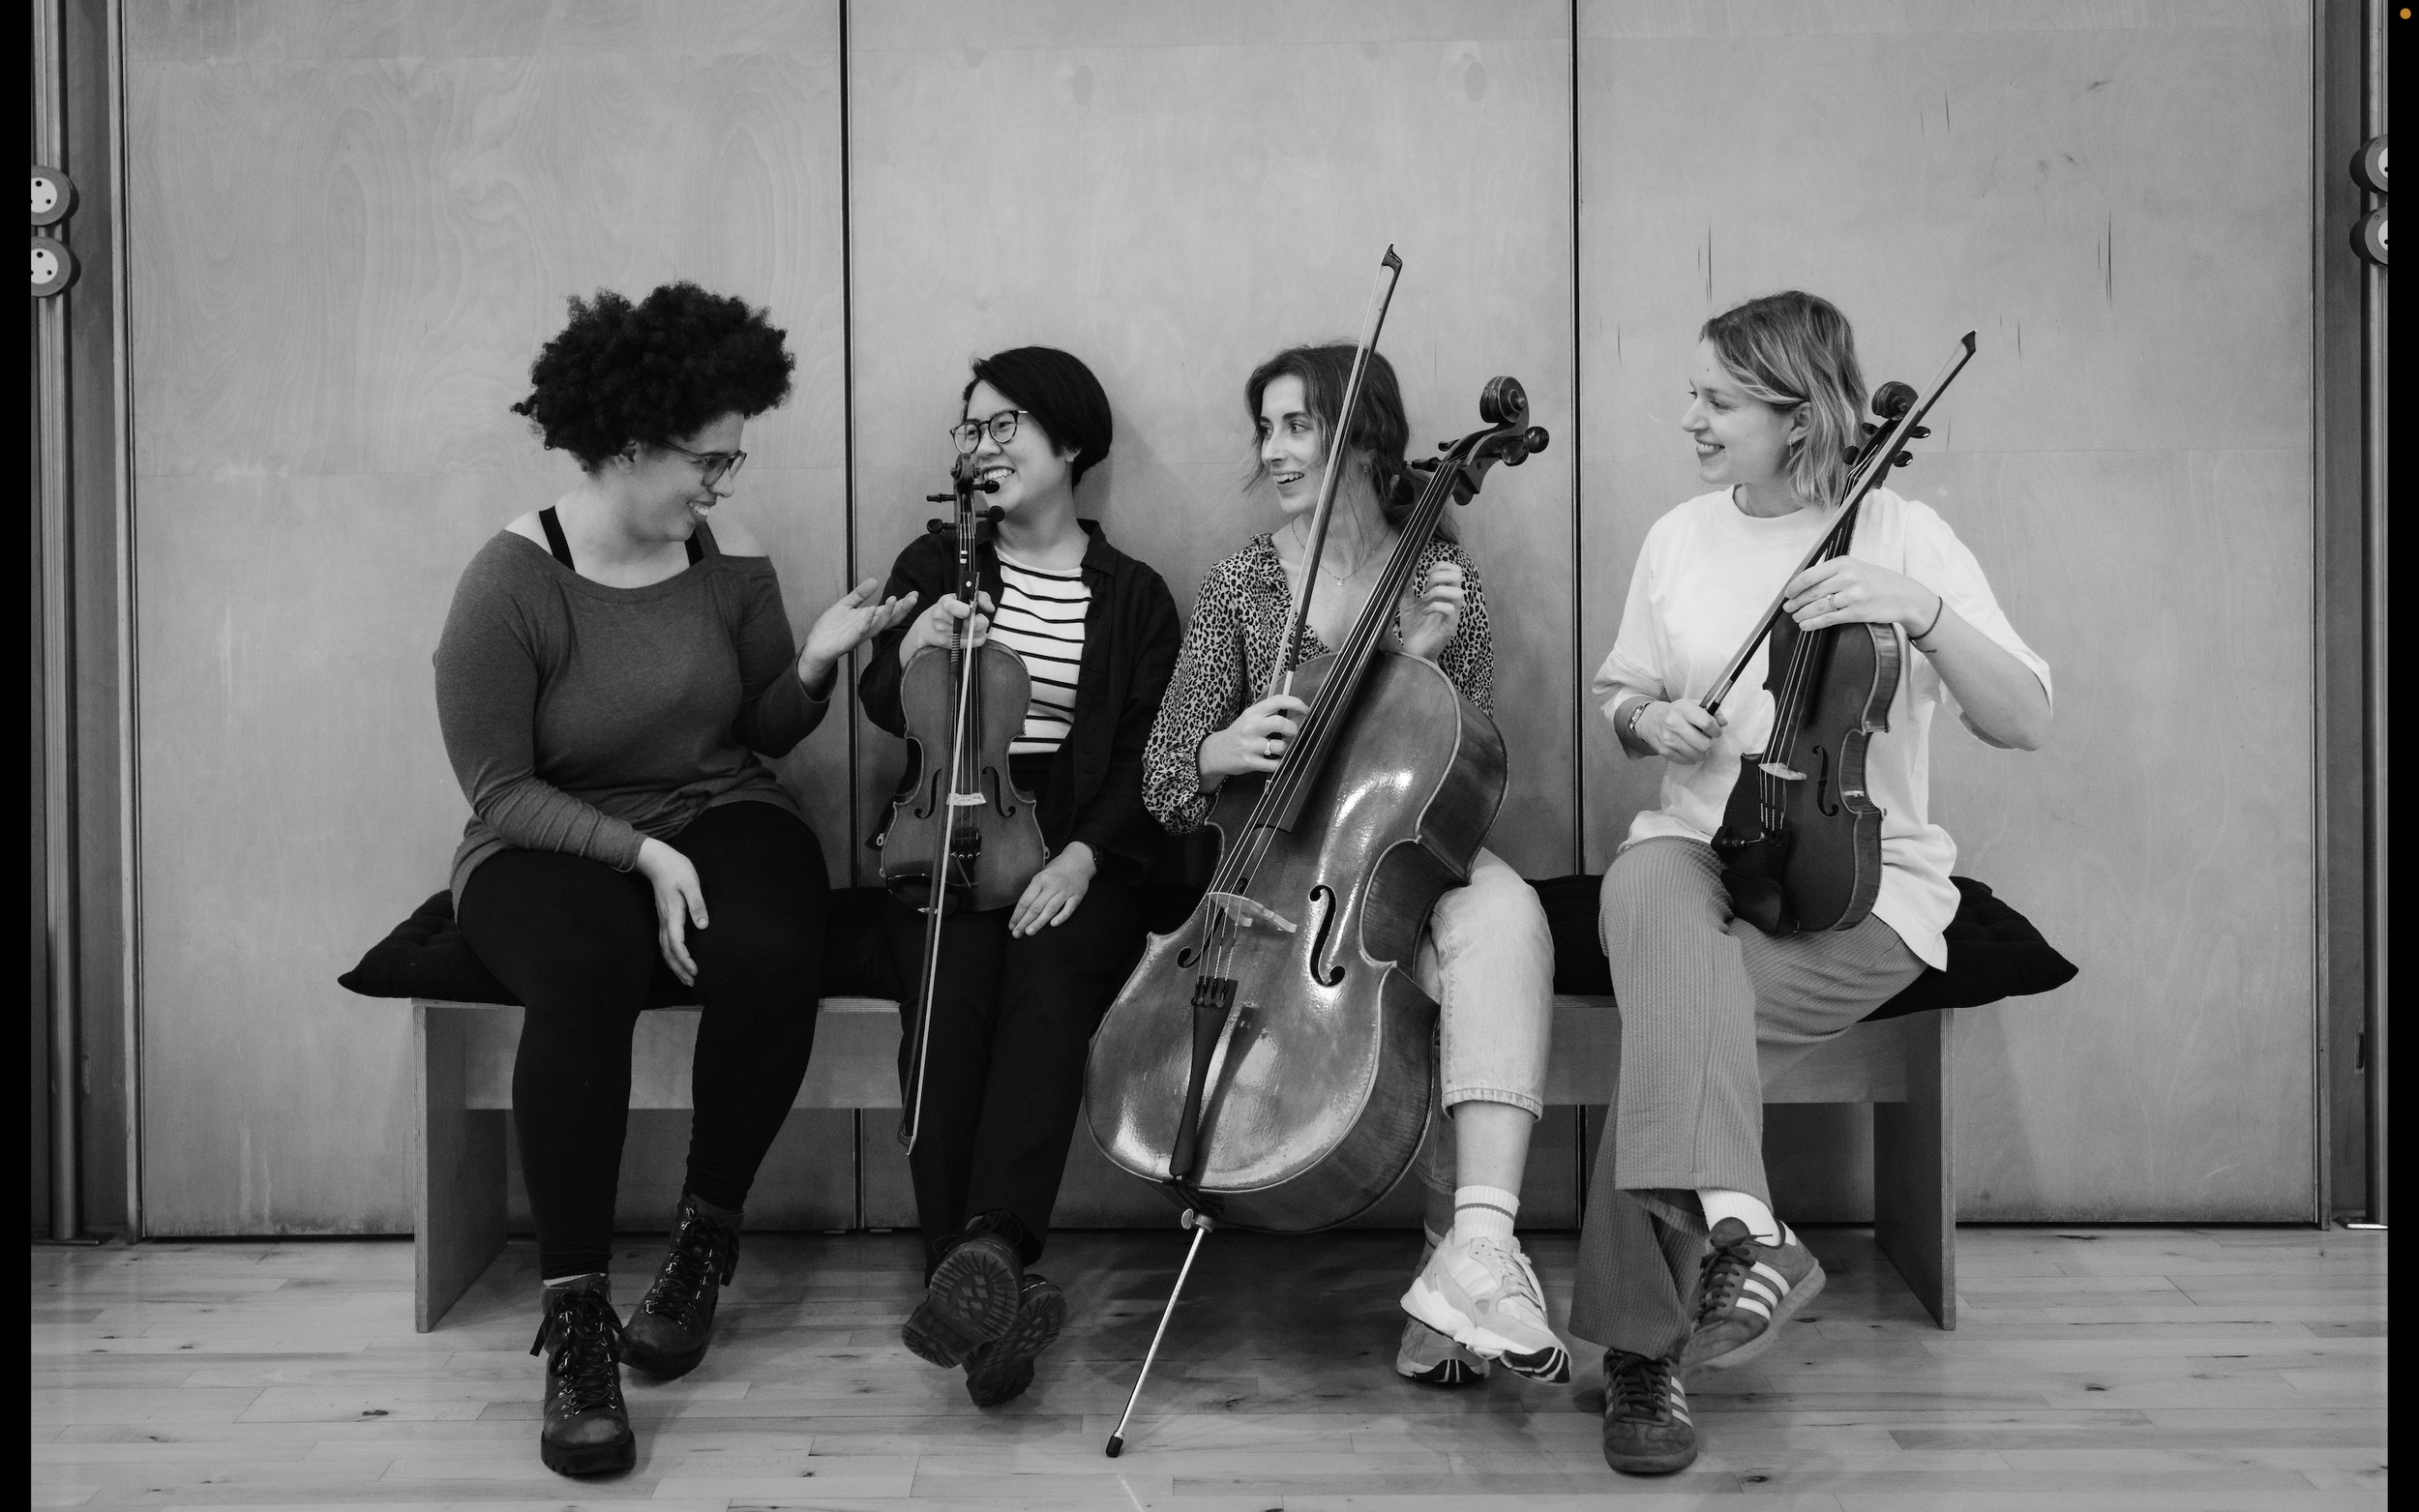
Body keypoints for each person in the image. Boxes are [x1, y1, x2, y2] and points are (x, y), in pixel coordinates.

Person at [434, 283, 915, 1478]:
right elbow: (498, 789)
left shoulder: (724, 554)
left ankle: (705, 1237)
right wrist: (640, 856)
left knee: (769, 937)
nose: (723, 483)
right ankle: (579, 1319)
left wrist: (810, 661)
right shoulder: (510, 583)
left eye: (734, 458)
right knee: (589, 967)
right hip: (548, 839)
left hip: (721, 806)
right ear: (631, 446)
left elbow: (756, 726)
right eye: (709, 459)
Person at [1579, 291, 2051, 1476]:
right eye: (1695, 392)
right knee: (1644, 889)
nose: (1688, 417)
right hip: (1699, 846)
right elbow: (1618, 697)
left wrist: (1925, 612)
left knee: (1672, 1029)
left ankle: (1641, 1360)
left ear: (1800, 418)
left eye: (1717, 400)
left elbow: (2025, 717)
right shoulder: (1678, 538)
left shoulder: (1902, 532)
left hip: (1861, 882)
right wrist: (1651, 720)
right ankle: (1748, 1227)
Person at [1140, 343, 1567, 1389]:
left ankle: (1474, 1248)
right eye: (1268, 429)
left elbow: (1451, 762)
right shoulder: (1245, 579)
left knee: (1505, 922)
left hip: (1399, 857)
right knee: (1427, 986)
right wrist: (1219, 749)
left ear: (1366, 436)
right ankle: (1448, 1273)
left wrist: (1418, 649)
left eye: (1301, 426)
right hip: (1278, 880)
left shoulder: (1439, 575)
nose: (1276, 450)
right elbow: (1161, 776)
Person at [858, 346, 1182, 1408]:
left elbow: (1150, 752)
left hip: (1081, 837)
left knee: (1048, 995)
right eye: (971, 430)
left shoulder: (1133, 595)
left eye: (1004, 429)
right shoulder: (935, 557)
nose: (982, 449)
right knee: (945, 1011)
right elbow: (875, 698)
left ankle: (986, 1250)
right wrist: (915, 649)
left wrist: (1088, 855)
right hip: (943, 827)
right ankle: (981, 1288)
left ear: (1069, 441)